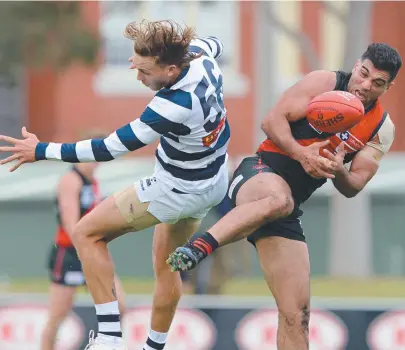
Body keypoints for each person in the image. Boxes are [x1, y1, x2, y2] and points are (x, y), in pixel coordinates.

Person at [0, 19, 229, 350]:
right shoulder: (201, 57)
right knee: (168, 267)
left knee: (85, 233)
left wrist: (41, 150)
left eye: (145, 71)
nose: (138, 77)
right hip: (213, 180)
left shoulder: (173, 105)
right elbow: (215, 42)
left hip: (176, 190)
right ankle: (154, 346)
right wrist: (149, 54)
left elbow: (106, 148)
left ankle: (108, 338)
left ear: (171, 70)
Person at [167, 42, 402, 349]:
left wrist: (339, 168)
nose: (365, 85)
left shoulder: (382, 128)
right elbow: (271, 121)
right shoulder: (324, 82)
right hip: (258, 173)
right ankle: (198, 248)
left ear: (388, 87)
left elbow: (354, 185)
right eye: (364, 74)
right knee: (279, 200)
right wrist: (302, 154)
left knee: (298, 315)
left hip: (286, 208)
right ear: (357, 65)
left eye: (377, 83)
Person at [41, 132, 126, 350]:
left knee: (119, 305)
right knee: (58, 315)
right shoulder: (71, 180)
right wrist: (86, 250)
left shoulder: (94, 182)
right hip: (69, 253)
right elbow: (71, 225)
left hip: (91, 249)